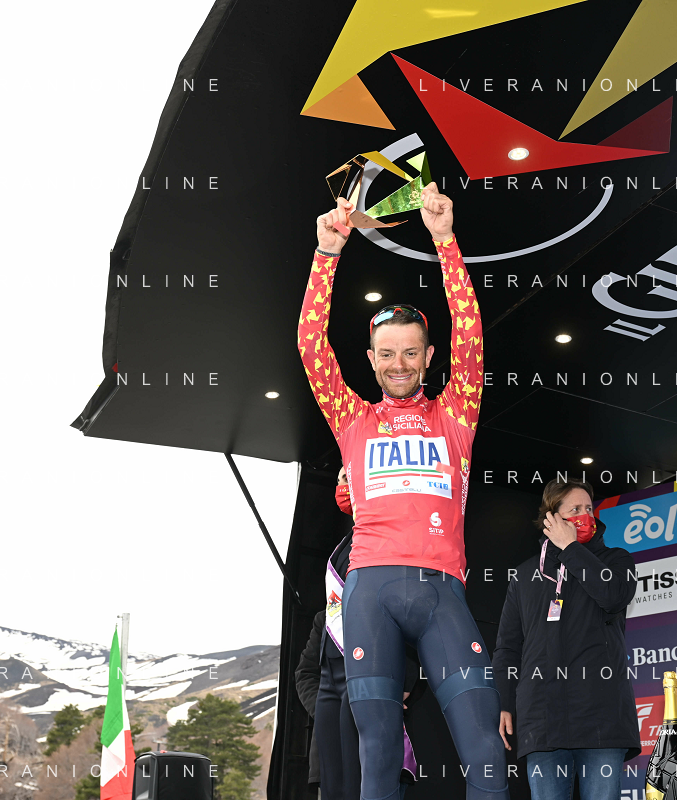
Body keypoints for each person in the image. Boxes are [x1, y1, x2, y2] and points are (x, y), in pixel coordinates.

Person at [298, 186, 508, 800]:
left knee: (485, 751)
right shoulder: (352, 418)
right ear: (370, 358)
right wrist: (326, 255)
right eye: (387, 354)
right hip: (369, 589)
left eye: (410, 353)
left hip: (442, 591)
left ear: (428, 355)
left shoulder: (455, 413)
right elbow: (312, 348)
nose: (399, 364)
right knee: (379, 756)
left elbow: (472, 335)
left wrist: (445, 241)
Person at [492, 479, 640, 800]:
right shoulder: (525, 575)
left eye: (589, 508)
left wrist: (571, 549)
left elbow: (613, 596)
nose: (585, 515)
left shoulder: (617, 561)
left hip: (601, 717)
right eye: (575, 509)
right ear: (552, 518)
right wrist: (503, 702)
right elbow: (508, 647)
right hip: (542, 719)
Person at [293, 467, 421, 800]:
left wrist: (402, 681)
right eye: (339, 480)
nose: (342, 486)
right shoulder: (339, 556)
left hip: (369, 703)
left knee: (366, 784)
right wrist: (328, 707)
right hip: (330, 718)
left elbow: (409, 619)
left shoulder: (389, 541)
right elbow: (306, 672)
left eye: (348, 478)